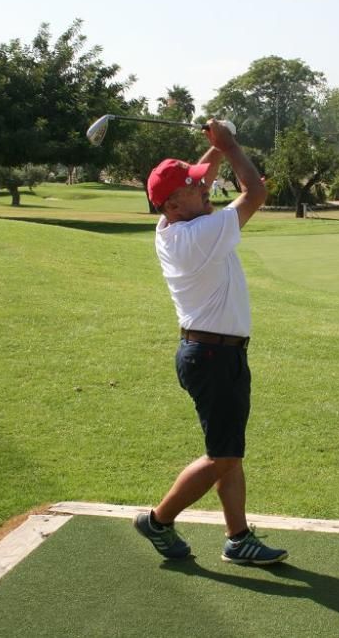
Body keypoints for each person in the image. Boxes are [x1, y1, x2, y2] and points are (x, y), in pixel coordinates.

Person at [133, 119, 287, 565]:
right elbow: (255, 192)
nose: (208, 190)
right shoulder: (198, 234)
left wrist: (213, 150)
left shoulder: (172, 225)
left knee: (229, 451)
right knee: (222, 455)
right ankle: (158, 521)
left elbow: (195, 179)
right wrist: (232, 145)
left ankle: (238, 538)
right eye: (197, 189)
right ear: (174, 204)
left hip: (216, 352)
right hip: (213, 356)